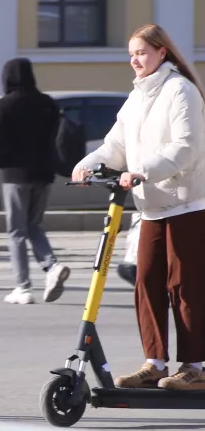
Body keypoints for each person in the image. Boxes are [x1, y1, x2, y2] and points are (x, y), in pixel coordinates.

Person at [74, 23, 205, 390]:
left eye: (142, 53)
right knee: (146, 282)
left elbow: (185, 147)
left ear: (162, 52)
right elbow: (115, 146)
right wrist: (87, 163)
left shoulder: (181, 91)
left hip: (186, 204)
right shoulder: (137, 98)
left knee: (185, 287)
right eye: (131, 54)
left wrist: (142, 171)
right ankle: (156, 363)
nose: (135, 60)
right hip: (151, 208)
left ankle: (195, 366)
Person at [0, 57, 71, 305]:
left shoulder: (4, 105)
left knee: (16, 231)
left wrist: (3, 162)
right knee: (35, 226)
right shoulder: (47, 104)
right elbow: (56, 138)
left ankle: (23, 287)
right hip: (44, 174)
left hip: (15, 175)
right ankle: (52, 266)